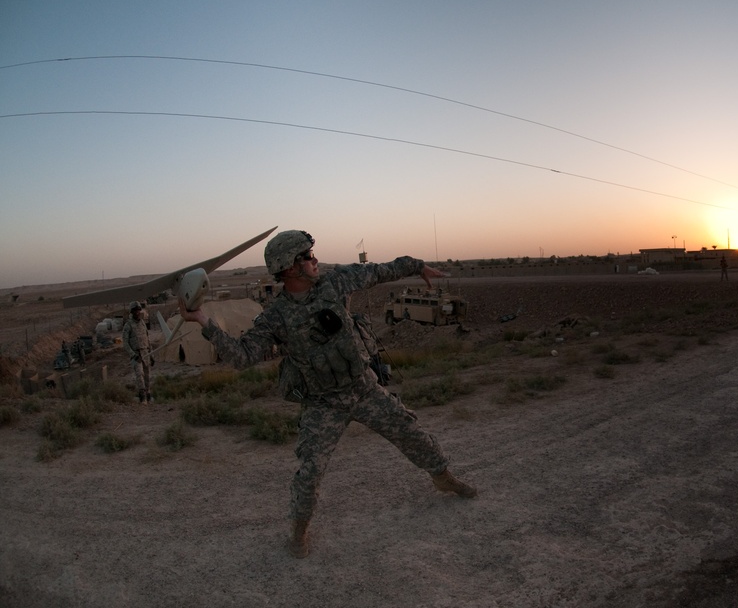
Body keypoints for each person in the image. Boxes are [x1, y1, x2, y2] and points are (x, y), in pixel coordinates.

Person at [179, 230, 477, 559]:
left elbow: (378, 271)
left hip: (362, 388)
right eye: (306, 256)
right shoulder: (275, 317)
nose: (314, 259)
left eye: (311, 254)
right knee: (310, 470)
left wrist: (416, 266)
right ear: (289, 268)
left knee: (411, 432)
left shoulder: (334, 283)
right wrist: (202, 320)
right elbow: (242, 356)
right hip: (323, 404)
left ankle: (443, 477)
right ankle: (299, 529)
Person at [121, 301, 153, 403]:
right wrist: (133, 355)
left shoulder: (143, 323)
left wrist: (151, 355)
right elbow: (125, 343)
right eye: (136, 311)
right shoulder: (128, 325)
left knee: (147, 375)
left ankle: (148, 395)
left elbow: (147, 339)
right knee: (140, 375)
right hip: (136, 355)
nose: (138, 312)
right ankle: (142, 396)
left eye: (139, 310)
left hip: (146, 353)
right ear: (132, 312)